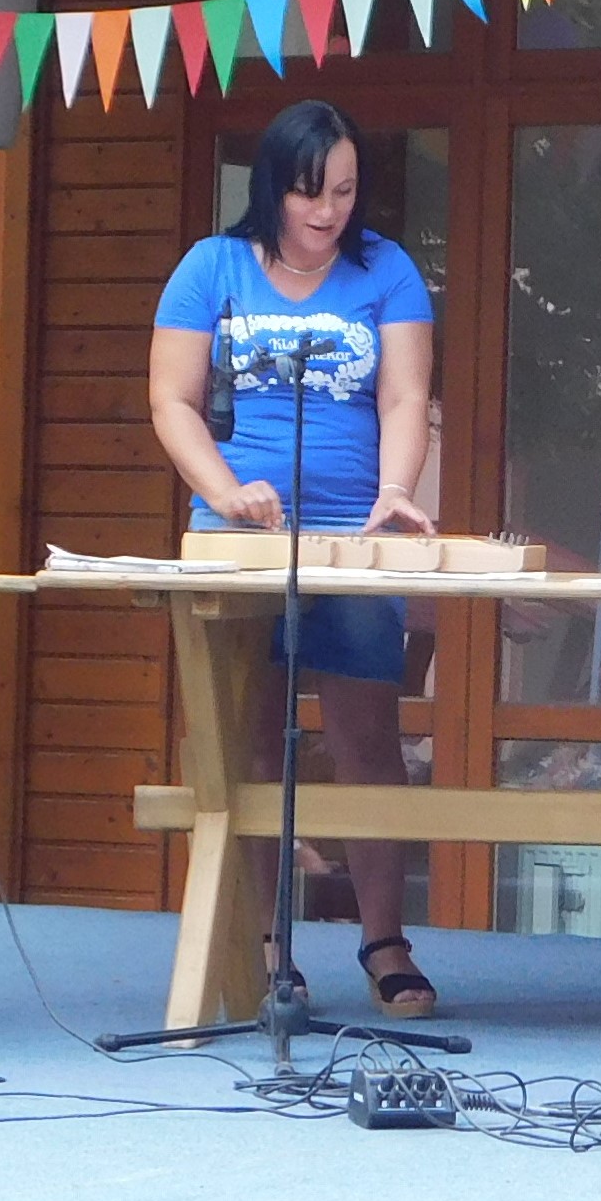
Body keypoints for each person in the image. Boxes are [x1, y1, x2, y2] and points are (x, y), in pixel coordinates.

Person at [150, 101, 443, 1016]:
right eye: (311, 192)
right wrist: (226, 489)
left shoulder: (385, 269)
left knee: (367, 738)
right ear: (273, 186)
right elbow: (171, 401)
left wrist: (395, 489)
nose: (327, 211)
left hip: (353, 533)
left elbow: (404, 397)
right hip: (240, 537)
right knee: (246, 740)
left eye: (345, 192)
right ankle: (262, 940)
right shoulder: (213, 266)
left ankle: (383, 939)